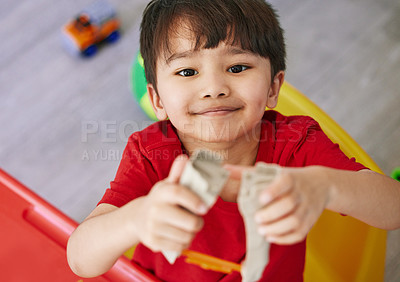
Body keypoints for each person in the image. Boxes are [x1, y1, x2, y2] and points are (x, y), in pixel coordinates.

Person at [66, 0, 400, 281]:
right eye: (187, 72)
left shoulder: (296, 144)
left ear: (273, 87)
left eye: (238, 67)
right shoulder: (151, 154)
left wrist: (328, 186)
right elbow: (81, 258)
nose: (214, 88)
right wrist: (135, 218)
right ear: (157, 101)